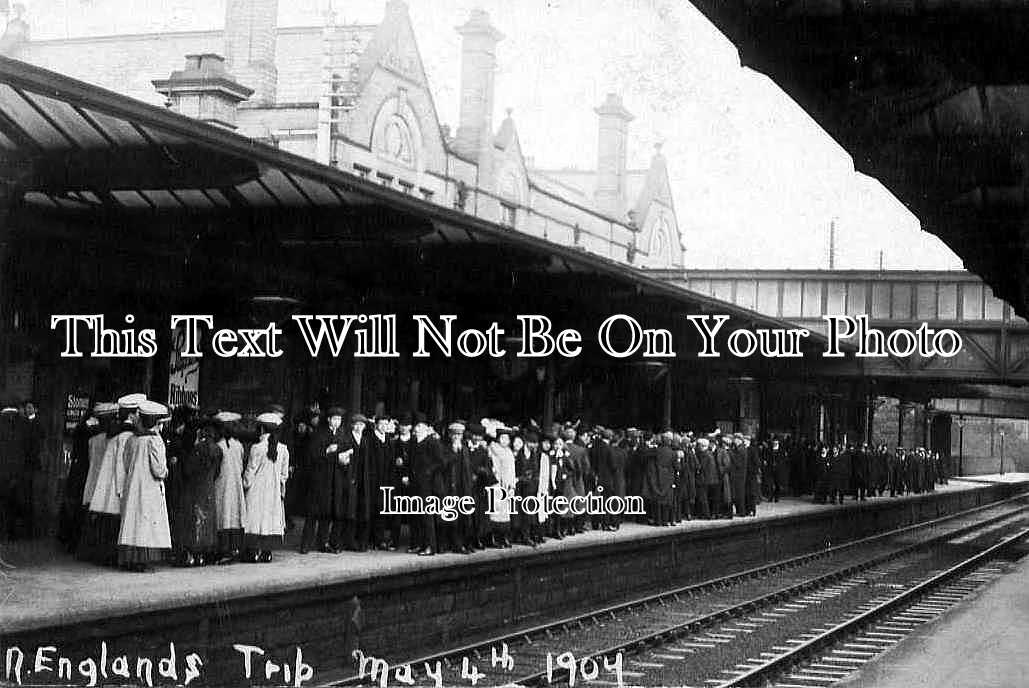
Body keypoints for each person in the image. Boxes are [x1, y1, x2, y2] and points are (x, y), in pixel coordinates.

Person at [88, 393, 144, 565]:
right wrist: (122, 490)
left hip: (108, 488)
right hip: (117, 488)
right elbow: (121, 466)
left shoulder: (116, 433)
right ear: (133, 415)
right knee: (115, 524)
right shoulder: (126, 436)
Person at [117, 400, 172, 572]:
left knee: (133, 522)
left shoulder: (132, 440)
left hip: (132, 486)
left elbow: (126, 463)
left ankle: (132, 559)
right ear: (155, 423)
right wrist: (166, 472)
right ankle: (144, 560)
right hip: (149, 488)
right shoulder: (155, 441)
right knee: (148, 524)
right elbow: (158, 470)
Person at [241, 412, 289, 563]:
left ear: (261, 429)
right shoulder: (283, 449)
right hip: (273, 491)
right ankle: (267, 552)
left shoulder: (257, 448)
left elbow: (250, 471)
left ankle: (253, 551)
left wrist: (244, 485)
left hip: (257, 490)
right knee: (270, 520)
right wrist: (280, 488)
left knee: (255, 520)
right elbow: (284, 474)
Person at [174, 414, 221, 566]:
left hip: (194, 488)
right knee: (207, 521)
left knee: (193, 520)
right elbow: (217, 472)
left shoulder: (197, 449)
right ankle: (202, 554)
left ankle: (192, 554)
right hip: (209, 488)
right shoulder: (218, 450)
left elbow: (188, 469)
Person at [301, 406, 345, 554]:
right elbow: (312, 455)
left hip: (334, 477)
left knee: (327, 513)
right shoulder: (319, 434)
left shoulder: (341, 434)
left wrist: (344, 458)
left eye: (339, 419)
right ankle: (305, 544)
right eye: (335, 419)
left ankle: (322, 543)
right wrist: (326, 451)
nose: (337, 422)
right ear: (329, 420)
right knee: (313, 512)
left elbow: (346, 449)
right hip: (319, 478)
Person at [213, 412, 246, 563]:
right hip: (235, 484)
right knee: (234, 515)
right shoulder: (238, 445)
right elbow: (240, 466)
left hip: (222, 484)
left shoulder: (218, 446)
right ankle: (235, 547)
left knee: (223, 515)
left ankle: (223, 549)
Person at [409, 414, 442, 556]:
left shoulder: (432, 442)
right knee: (417, 515)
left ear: (427, 428)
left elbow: (440, 461)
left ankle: (430, 546)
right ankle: (419, 544)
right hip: (416, 483)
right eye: (417, 426)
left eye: (421, 426)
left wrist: (429, 471)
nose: (418, 429)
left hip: (428, 484)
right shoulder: (414, 442)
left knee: (427, 515)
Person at [487, 426, 516, 548]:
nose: (505, 441)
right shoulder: (493, 450)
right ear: (498, 438)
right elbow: (494, 468)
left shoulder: (509, 451)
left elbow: (512, 469)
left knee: (505, 513)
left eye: (507, 438)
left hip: (507, 485)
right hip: (497, 484)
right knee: (495, 511)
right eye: (503, 438)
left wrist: (512, 484)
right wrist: (499, 480)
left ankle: (504, 537)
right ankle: (494, 538)